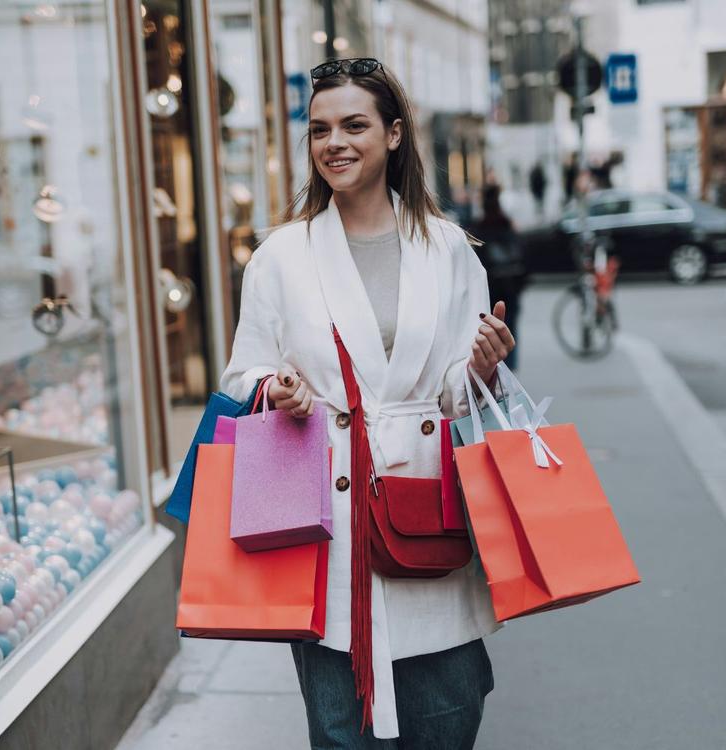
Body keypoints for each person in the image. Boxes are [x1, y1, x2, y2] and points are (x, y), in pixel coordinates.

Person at [220, 57, 515, 749]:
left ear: (393, 134)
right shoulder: (281, 256)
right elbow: (243, 374)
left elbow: (453, 394)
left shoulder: (446, 250)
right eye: (320, 129)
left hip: (426, 515)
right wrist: (277, 390)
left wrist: (481, 367)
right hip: (325, 518)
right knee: (340, 730)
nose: (335, 143)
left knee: (446, 718)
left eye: (354, 125)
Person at [466, 184, 527, 371]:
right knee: (509, 331)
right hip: (509, 289)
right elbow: (523, 259)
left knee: (487, 336)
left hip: (489, 291)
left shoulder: (476, 229)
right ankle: (509, 375)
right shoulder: (508, 226)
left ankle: (496, 374)